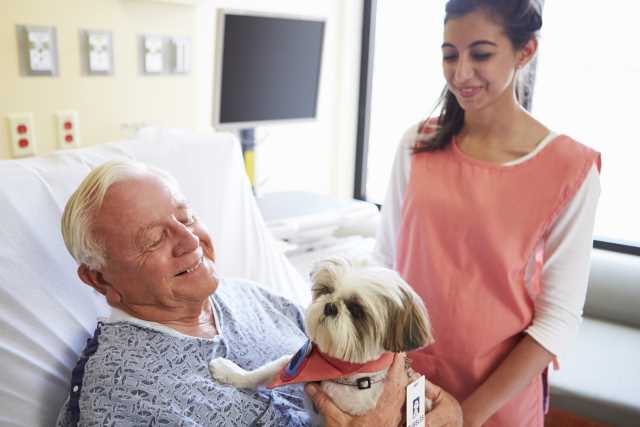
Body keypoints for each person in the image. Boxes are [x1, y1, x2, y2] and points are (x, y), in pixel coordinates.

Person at [56, 159, 462, 426]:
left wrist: (433, 416)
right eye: (153, 239)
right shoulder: (122, 395)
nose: (189, 240)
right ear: (99, 280)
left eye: (186, 217)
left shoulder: (257, 299)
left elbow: (438, 407)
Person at [373, 1, 601, 426]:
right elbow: (385, 264)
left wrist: (467, 414)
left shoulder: (570, 170)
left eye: (480, 54)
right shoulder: (416, 145)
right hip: (408, 385)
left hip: (498, 403)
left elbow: (558, 319)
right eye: (449, 54)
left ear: (525, 51)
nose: (460, 73)